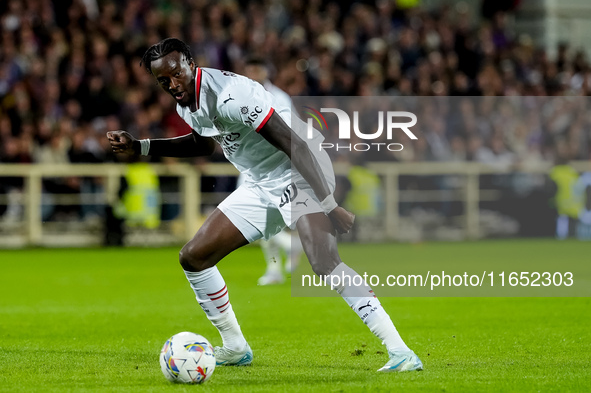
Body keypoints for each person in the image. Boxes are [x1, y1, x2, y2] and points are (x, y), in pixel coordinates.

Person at [107, 38, 422, 372]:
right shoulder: (186, 102)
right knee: (193, 257)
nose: (171, 84)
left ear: (189, 62)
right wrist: (141, 146)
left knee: (324, 262)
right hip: (260, 183)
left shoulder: (232, 95)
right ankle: (235, 346)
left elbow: (294, 144)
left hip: (298, 170)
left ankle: (401, 352)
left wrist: (329, 205)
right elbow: (203, 143)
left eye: (174, 74)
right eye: (162, 81)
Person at [243, 57, 303, 285]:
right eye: (249, 69)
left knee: (270, 221)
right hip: (250, 165)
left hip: (276, 165)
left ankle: (290, 251)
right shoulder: (242, 94)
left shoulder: (278, 97)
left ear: (265, 71)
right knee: (260, 220)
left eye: (256, 69)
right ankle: (278, 264)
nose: (252, 73)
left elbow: (291, 131)